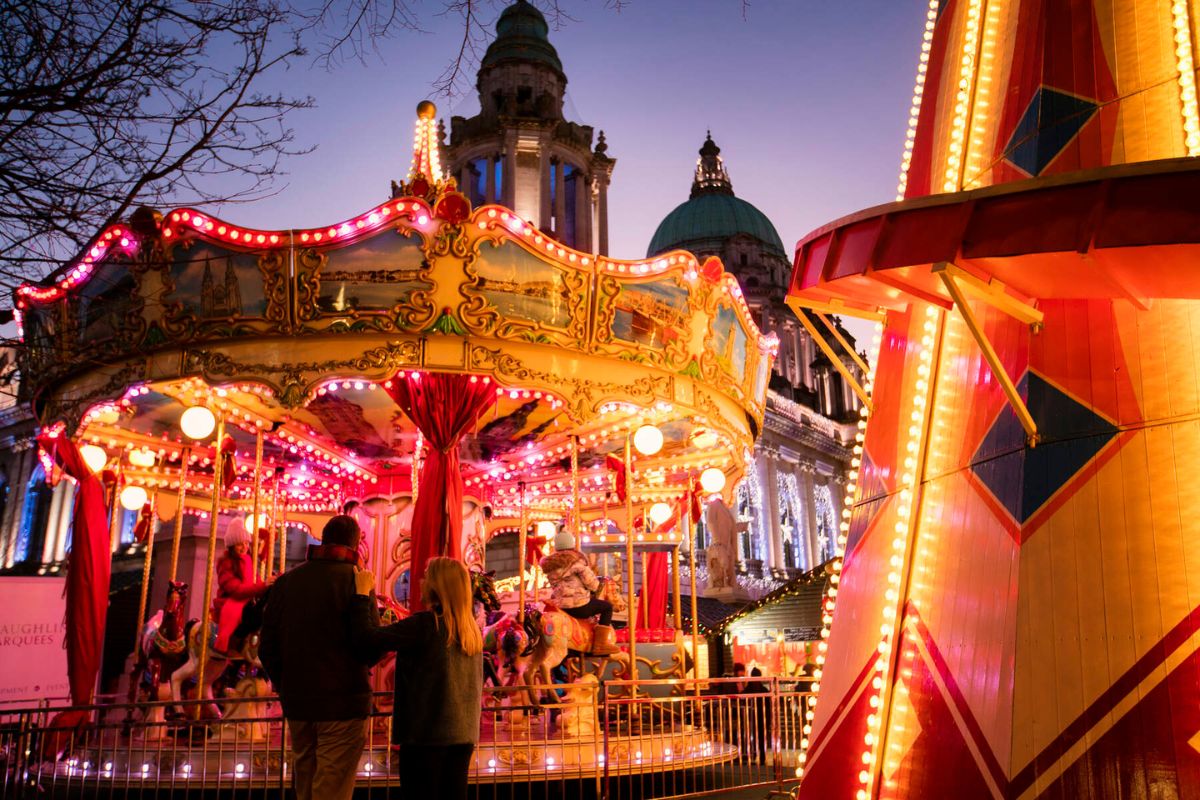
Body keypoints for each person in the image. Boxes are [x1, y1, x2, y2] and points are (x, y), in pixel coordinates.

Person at [259, 515, 377, 800]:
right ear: (356, 542)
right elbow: (370, 647)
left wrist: (286, 684)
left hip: (299, 704)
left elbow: (267, 646)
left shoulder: (287, 582)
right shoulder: (357, 581)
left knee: (306, 786)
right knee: (331, 790)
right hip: (342, 705)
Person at [349, 557, 482, 800]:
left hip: (426, 736)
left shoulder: (425, 625)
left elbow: (365, 638)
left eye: (426, 578)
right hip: (463, 735)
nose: (420, 582)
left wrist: (362, 594)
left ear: (436, 586)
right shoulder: (470, 630)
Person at [539, 530, 618, 655]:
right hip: (579, 606)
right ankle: (601, 644)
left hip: (560, 607)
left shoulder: (550, 566)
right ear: (572, 544)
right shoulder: (577, 562)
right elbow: (592, 584)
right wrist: (595, 587)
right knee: (607, 607)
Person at [212, 520, 271, 654]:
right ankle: (235, 644)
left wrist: (269, 585)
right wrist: (263, 585)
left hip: (247, 601)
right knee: (255, 617)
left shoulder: (249, 561)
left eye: (246, 543)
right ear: (232, 546)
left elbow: (257, 583)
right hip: (230, 603)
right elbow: (237, 591)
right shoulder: (226, 563)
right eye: (240, 544)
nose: (244, 547)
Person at [744, 666, 771, 766]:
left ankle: (753, 756)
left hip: (751, 718)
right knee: (761, 738)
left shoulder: (748, 688)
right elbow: (768, 705)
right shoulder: (763, 689)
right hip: (762, 718)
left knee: (752, 737)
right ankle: (762, 757)